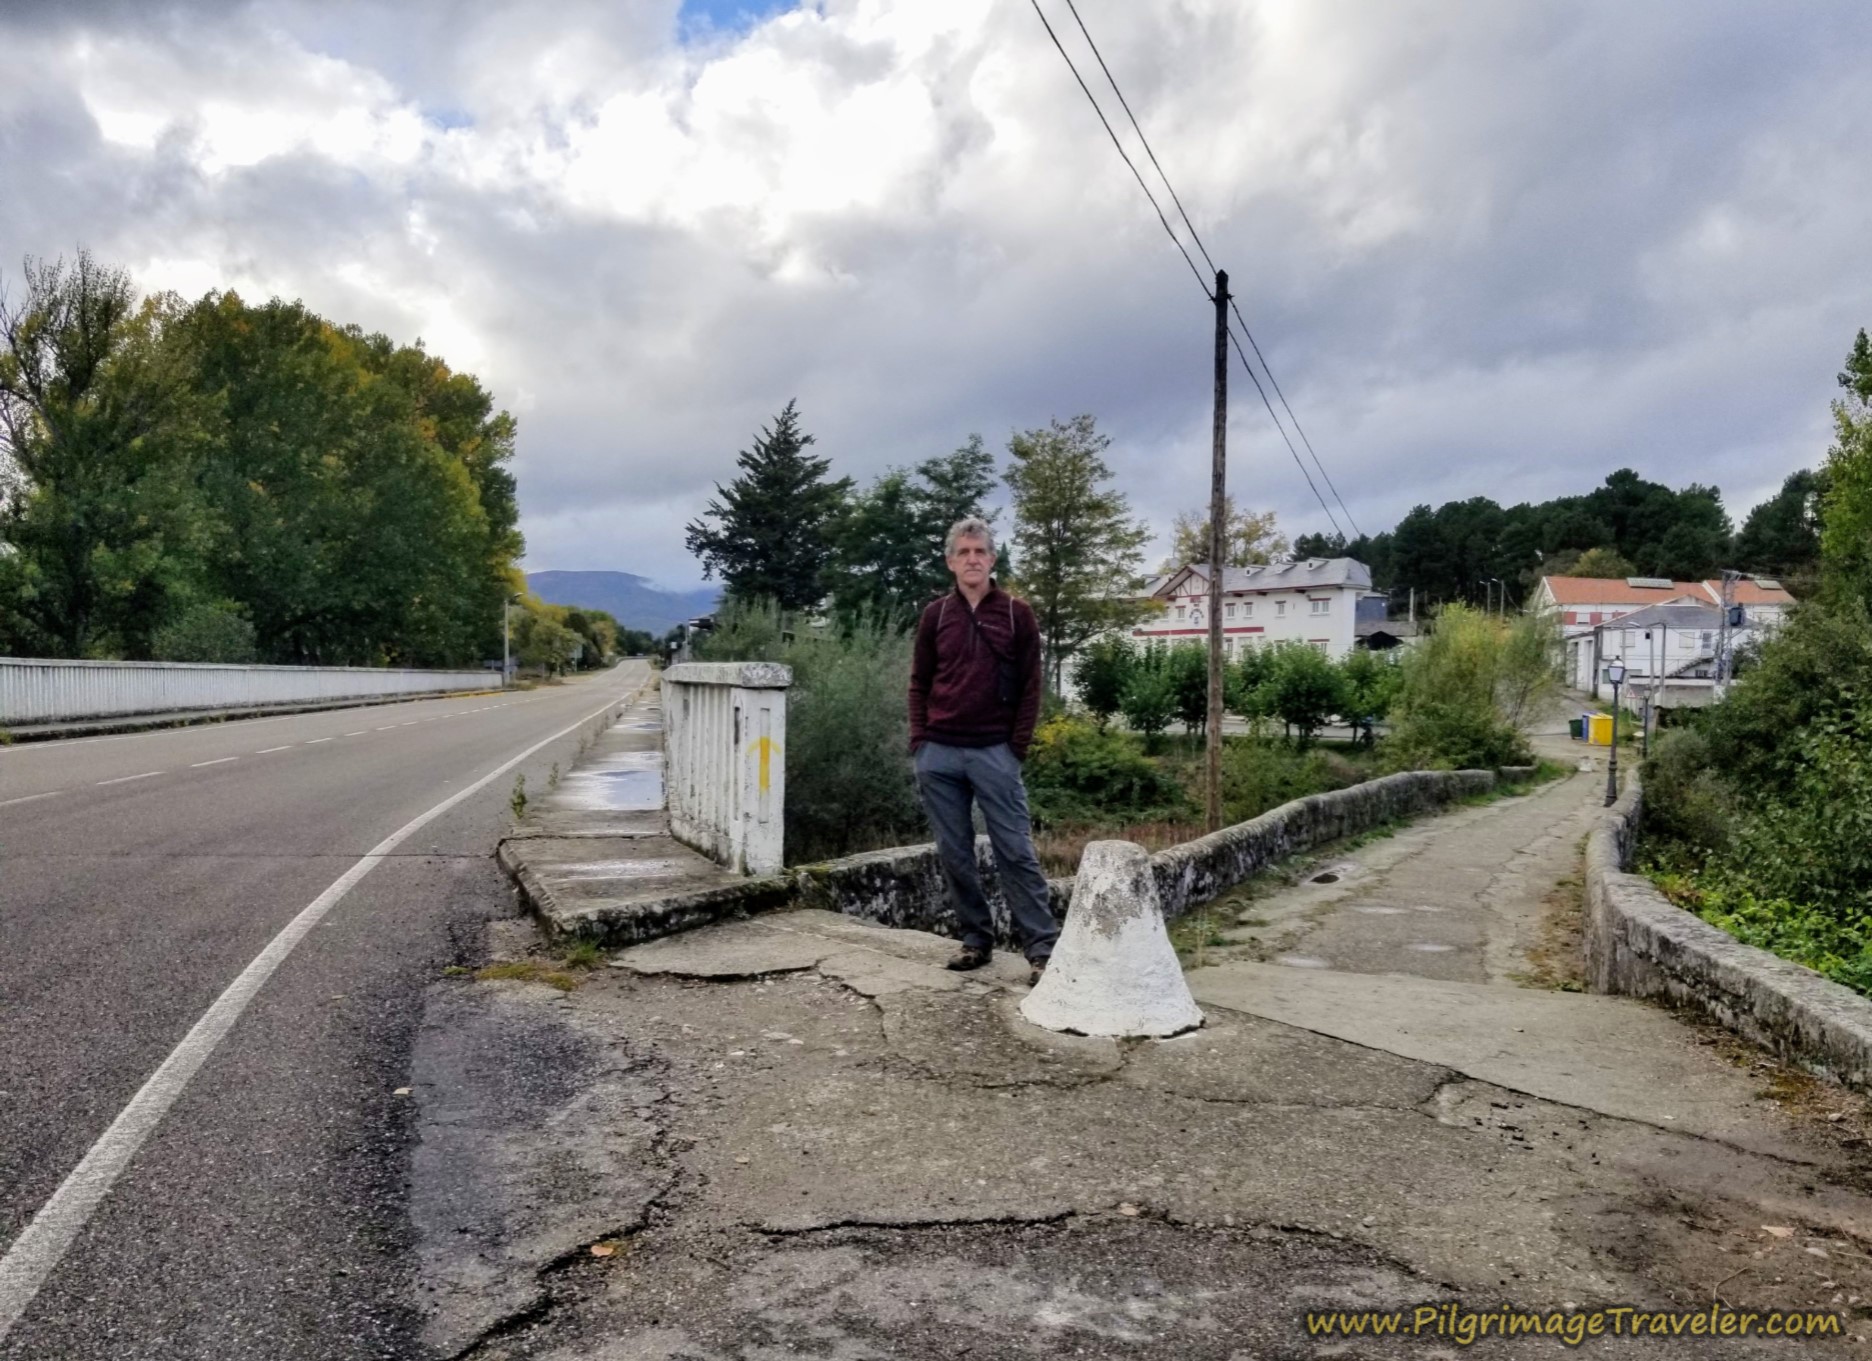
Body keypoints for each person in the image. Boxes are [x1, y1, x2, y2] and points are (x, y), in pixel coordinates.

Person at [907, 517, 1059, 983]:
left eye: (980, 552)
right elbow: (919, 681)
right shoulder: (935, 615)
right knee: (955, 855)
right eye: (964, 552)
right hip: (940, 753)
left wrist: (1015, 747)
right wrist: (920, 742)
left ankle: (1042, 949)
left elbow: (1033, 685)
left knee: (1015, 851)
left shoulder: (1017, 613)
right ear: (951, 561)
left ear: (993, 560)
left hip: (994, 751)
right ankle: (976, 940)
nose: (973, 559)